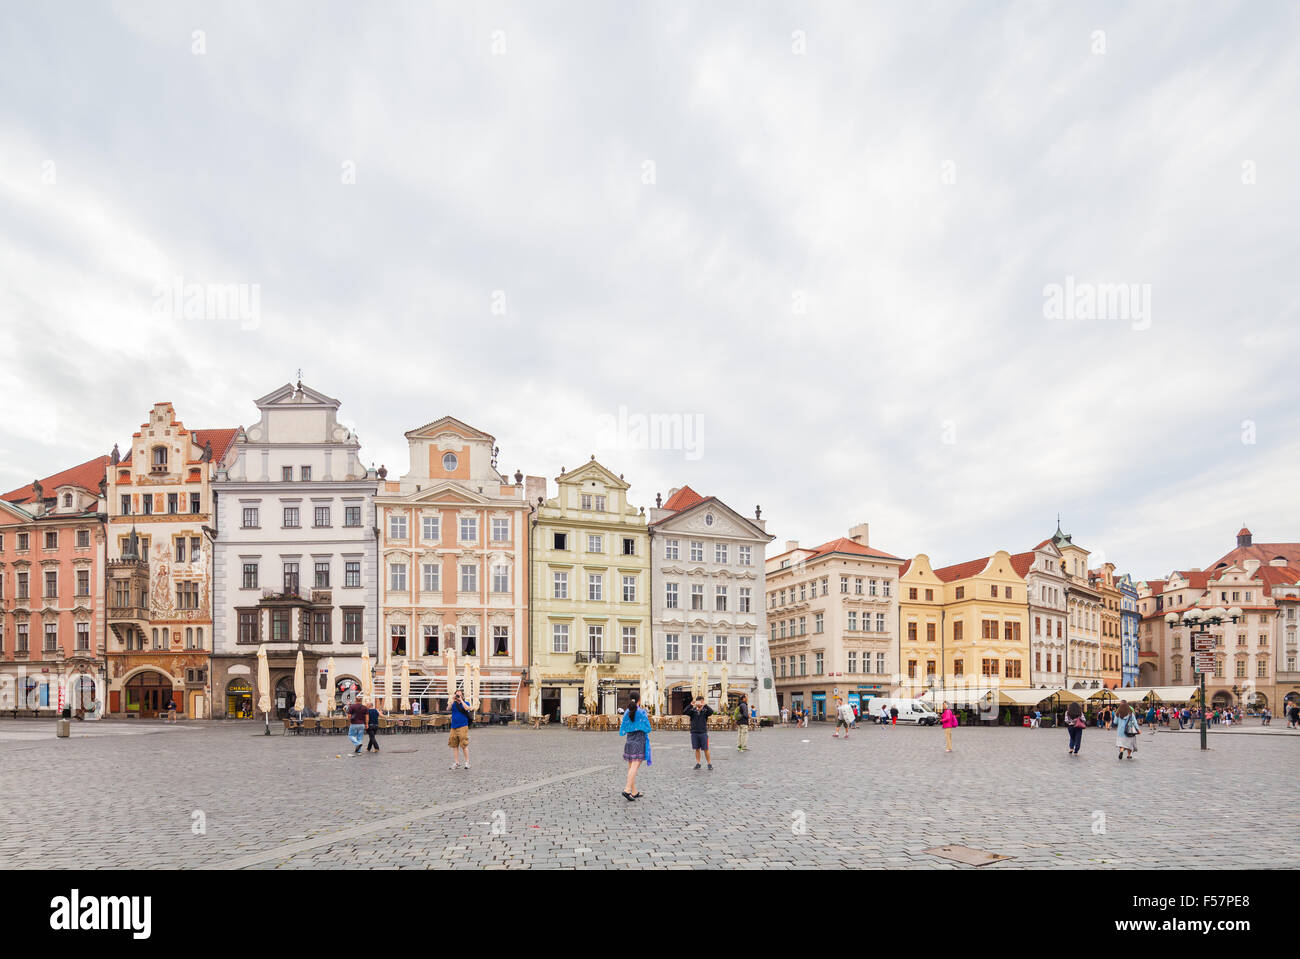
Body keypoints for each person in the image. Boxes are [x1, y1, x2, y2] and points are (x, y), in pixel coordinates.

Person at [619, 694, 651, 800]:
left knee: (631, 767)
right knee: (634, 767)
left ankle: (634, 791)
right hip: (639, 742)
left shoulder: (627, 712)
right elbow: (648, 728)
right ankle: (627, 790)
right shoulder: (641, 712)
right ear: (639, 700)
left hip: (629, 742)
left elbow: (623, 728)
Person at [684, 695, 714, 769]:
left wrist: (705, 705)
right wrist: (691, 704)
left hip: (703, 732)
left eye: (701, 701)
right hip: (694, 732)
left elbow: (711, 712)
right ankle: (698, 763)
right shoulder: (693, 710)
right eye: (698, 701)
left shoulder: (705, 710)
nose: (699, 703)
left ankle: (709, 764)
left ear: (703, 702)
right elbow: (685, 712)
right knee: (697, 749)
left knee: (706, 749)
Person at [448, 688, 475, 769]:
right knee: (454, 745)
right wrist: (452, 700)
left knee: (464, 745)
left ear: (462, 696)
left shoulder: (466, 702)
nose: (458, 696)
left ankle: (467, 762)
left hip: (463, 726)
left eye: (459, 695)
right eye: (457, 694)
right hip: (453, 727)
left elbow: (467, 708)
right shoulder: (453, 703)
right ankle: (456, 763)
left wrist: (461, 700)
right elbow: (448, 709)